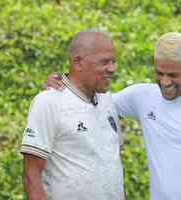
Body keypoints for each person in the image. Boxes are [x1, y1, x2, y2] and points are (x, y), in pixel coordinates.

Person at [45, 32, 181, 200]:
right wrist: (63, 86)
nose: (164, 82)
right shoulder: (142, 96)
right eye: (159, 73)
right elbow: (91, 103)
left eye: (173, 75)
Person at [21, 30, 125, 200]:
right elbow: (31, 175)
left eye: (113, 61)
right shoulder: (48, 102)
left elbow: (113, 166)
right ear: (77, 62)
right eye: (104, 62)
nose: (112, 68)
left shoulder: (108, 101)